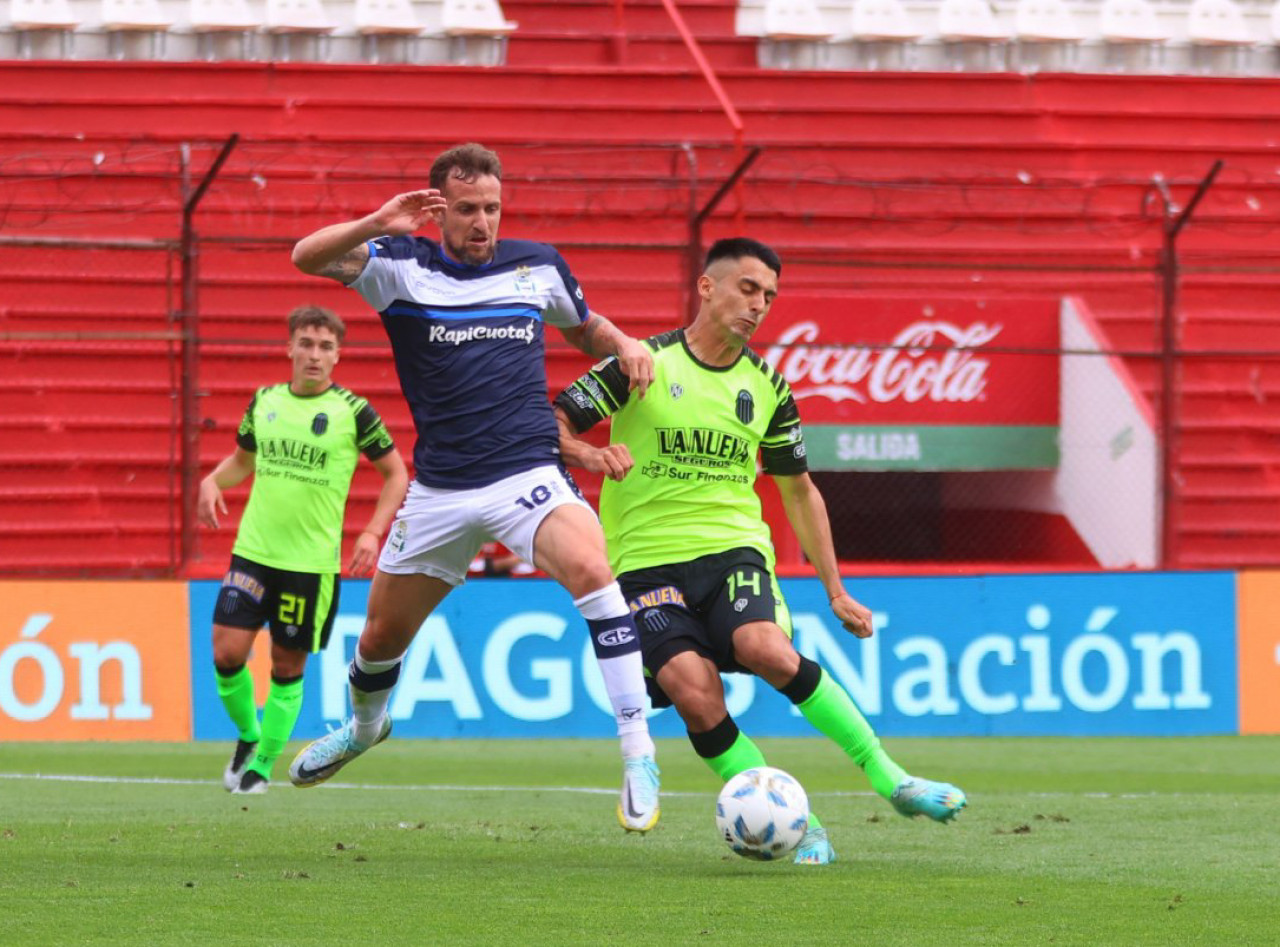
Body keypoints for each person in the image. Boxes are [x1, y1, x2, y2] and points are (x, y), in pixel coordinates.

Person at [553, 237, 967, 863]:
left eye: (769, 296)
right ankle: (807, 825)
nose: (759, 305)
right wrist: (589, 453)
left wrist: (835, 590)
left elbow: (799, 491)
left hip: (732, 553)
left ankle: (892, 778)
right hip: (643, 567)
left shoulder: (768, 386)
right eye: (748, 288)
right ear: (707, 287)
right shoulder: (642, 362)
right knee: (695, 695)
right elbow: (548, 425)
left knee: (764, 648)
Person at [285, 143, 661, 833]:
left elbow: (584, 327)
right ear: (438, 212)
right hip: (440, 489)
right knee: (379, 637)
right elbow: (304, 258)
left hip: (526, 470)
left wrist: (626, 341)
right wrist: (376, 221)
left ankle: (638, 748)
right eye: (466, 209)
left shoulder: (537, 264)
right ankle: (366, 728)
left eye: (491, 207)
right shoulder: (399, 267)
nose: (482, 221)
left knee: (591, 567)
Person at [199, 304, 409, 795]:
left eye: (326, 347)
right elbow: (241, 461)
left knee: (287, 667)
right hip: (253, 552)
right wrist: (213, 479)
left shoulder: (353, 412)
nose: (315, 355)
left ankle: (261, 766)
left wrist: (372, 531)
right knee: (226, 653)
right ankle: (250, 738)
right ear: (290, 347)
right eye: (307, 344)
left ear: (338, 356)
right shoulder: (265, 401)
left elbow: (396, 472)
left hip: (310, 566)